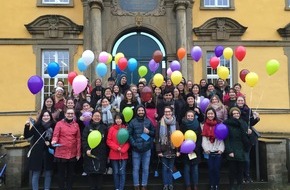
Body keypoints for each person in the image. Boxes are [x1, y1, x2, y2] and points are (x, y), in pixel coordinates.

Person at [24, 110, 55, 190]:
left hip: (48, 152)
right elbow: (27, 136)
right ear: (41, 117)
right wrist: (27, 126)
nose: (46, 117)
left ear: (50, 117)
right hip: (37, 152)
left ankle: (47, 189)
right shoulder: (36, 125)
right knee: (36, 173)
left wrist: (50, 144)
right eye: (44, 116)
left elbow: (56, 138)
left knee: (48, 173)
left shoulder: (53, 126)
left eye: (47, 115)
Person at [51, 108, 81, 190]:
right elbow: (56, 135)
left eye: (72, 113)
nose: (70, 115)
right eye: (68, 113)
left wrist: (78, 153)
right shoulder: (59, 124)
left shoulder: (76, 125)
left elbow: (78, 139)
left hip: (72, 153)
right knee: (61, 174)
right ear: (65, 114)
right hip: (61, 152)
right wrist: (54, 141)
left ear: (74, 115)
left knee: (71, 174)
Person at [128, 105, 155, 190]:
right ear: (136, 112)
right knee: (136, 168)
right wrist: (134, 143)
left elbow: (153, 133)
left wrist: (149, 132)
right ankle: (136, 185)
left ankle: (144, 185)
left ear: (144, 111)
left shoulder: (148, 121)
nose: (141, 112)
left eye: (142, 110)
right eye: (139, 110)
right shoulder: (132, 122)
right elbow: (129, 135)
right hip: (136, 149)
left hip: (146, 149)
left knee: (145, 168)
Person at [224, 107, 250, 190]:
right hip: (232, 149)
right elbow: (226, 139)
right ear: (231, 115)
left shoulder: (243, 123)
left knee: (240, 170)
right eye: (234, 113)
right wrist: (229, 151)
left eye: (237, 113)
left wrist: (249, 133)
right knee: (232, 170)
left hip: (242, 149)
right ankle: (231, 186)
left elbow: (245, 137)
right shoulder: (227, 124)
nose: (236, 115)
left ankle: (239, 185)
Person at [236, 96, 260, 183]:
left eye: (242, 100)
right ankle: (240, 176)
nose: (240, 102)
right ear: (236, 101)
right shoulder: (234, 110)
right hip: (238, 137)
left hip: (247, 137)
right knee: (239, 158)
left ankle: (247, 176)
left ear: (244, 101)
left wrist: (257, 118)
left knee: (246, 158)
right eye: (239, 100)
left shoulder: (248, 110)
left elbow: (251, 122)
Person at [155, 106, 180, 190]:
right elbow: (157, 137)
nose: (167, 113)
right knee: (165, 168)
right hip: (164, 149)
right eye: (166, 112)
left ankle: (171, 184)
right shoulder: (160, 123)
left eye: (169, 112)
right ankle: (165, 184)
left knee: (171, 168)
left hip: (172, 149)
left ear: (172, 112)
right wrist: (158, 151)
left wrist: (178, 150)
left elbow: (178, 137)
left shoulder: (175, 123)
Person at [82, 111, 108, 190]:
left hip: (101, 154)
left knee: (100, 173)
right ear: (92, 117)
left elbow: (107, 141)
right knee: (91, 173)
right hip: (90, 154)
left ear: (101, 117)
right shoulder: (87, 127)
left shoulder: (104, 128)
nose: (97, 117)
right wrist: (86, 149)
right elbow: (84, 140)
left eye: (99, 116)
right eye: (95, 116)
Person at [201, 108, 225, 190]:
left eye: (212, 114)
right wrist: (206, 148)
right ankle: (211, 185)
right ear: (206, 115)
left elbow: (221, 138)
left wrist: (221, 149)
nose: (210, 115)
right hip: (209, 151)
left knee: (217, 169)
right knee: (211, 169)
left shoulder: (219, 125)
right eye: (208, 114)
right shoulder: (204, 125)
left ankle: (216, 185)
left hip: (217, 151)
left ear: (214, 114)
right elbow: (204, 139)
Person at [106, 113, 130, 190]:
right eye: (116, 119)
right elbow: (108, 141)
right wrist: (117, 148)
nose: (118, 120)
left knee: (122, 172)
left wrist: (123, 149)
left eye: (120, 118)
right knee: (116, 172)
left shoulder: (126, 129)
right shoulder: (111, 129)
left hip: (123, 154)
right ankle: (117, 188)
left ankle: (121, 188)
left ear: (122, 119)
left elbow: (128, 141)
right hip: (114, 154)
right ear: (114, 120)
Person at [180, 110, 202, 190]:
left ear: (194, 116)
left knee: (195, 168)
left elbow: (200, 138)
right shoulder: (182, 125)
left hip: (195, 151)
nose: (190, 117)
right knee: (187, 168)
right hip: (186, 150)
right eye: (188, 116)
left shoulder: (197, 124)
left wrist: (195, 149)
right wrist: (186, 148)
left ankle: (195, 185)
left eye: (191, 116)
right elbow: (181, 138)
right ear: (186, 116)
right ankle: (188, 185)